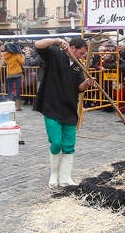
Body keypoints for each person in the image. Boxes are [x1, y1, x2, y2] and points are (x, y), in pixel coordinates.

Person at [33, 37, 95, 188]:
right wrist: (56, 40)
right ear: (72, 48)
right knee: (56, 142)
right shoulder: (55, 54)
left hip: (69, 108)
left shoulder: (78, 66)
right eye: (81, 53)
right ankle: (54, 175)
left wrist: (86, 83)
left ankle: (65, 177)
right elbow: (38, 44)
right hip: (52, 106)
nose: (82, 56)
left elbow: (79, 87)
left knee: (69, 145)